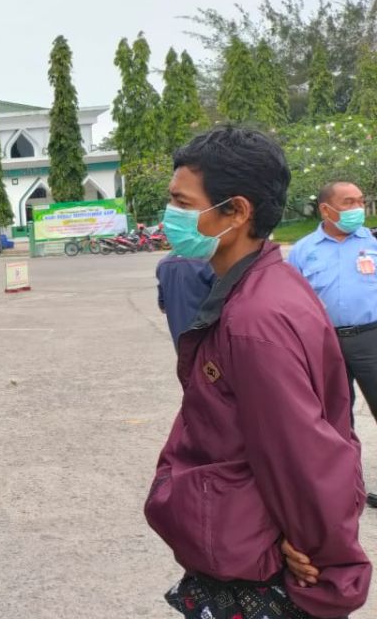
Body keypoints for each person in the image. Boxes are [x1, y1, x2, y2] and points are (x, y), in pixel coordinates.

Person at [143, 126, 369, 619]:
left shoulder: (254, 321)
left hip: (267, 566)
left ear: (237, 212)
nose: (171, 218)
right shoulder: (266, 282)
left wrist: (325, 561)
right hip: (251, 538)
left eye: (183, 203)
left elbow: (302, 454)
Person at [288, 181, 377, 508]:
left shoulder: (373, 242)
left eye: (360, 201)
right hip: (324, 343)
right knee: (335, 418)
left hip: (372, 338)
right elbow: (291, 299)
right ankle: (346, 489)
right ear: (326, 209)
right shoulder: (302, 250)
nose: (357, 208)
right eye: (348, 202)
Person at [155, 255, 214, 346]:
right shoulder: (207, 262)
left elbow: (163, 306)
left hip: (180, 335)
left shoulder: (163, 264)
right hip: (206, 331)